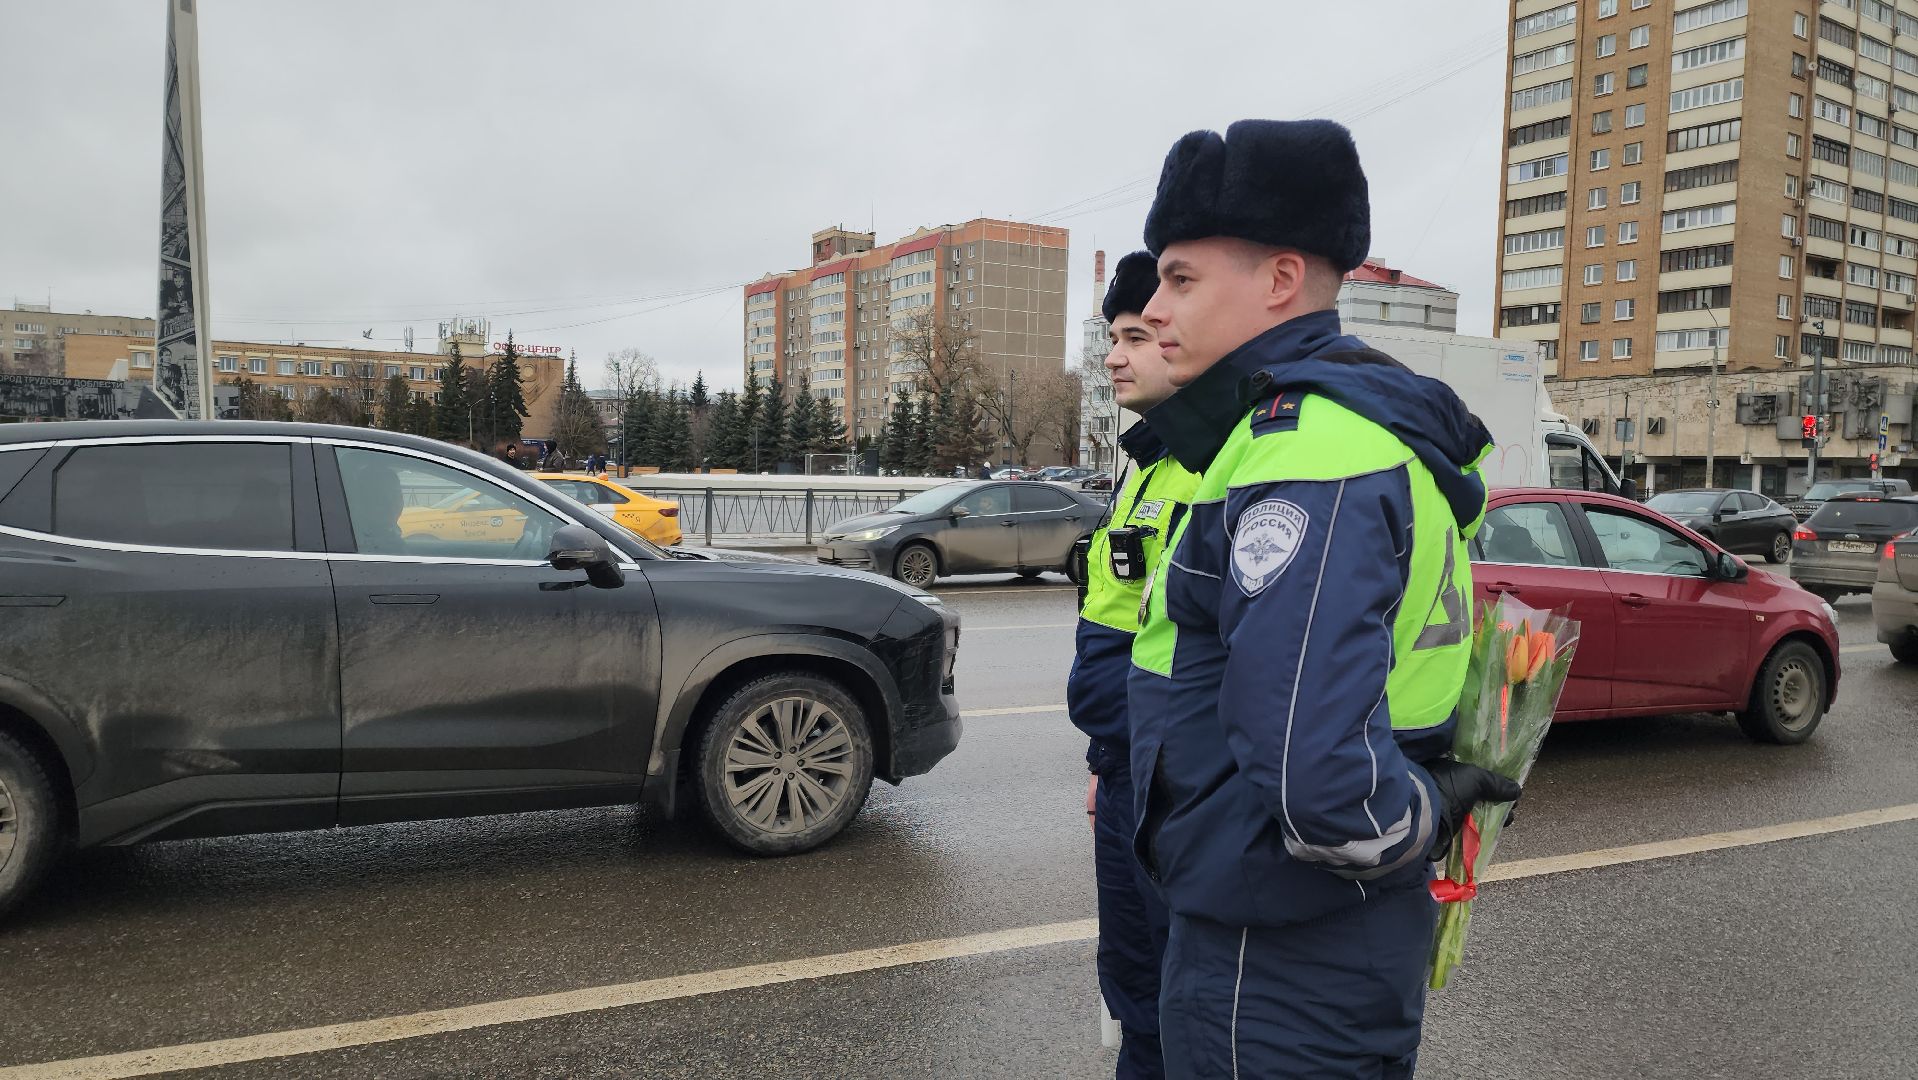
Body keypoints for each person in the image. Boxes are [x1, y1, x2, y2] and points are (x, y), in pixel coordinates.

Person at [1125, 119, 1522, 1079]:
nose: (1155, 306)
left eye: (1181, 279)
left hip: (1277, 949)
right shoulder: (1336, 430)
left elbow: (1312, 773)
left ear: (1279, 280)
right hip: (1320, 933)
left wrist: (1417, 816)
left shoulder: (1311, 449)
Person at [1067, 251, 1202, 1080]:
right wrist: (1105, 760)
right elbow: (1119, 621)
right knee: (1132, 989)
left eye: (1135, 336)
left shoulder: (1218, 462)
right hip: (1125, 776)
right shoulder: (1147, 461)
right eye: (1114, 336)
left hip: (1177, 791)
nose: (1115, 356)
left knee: (1185, 1005)